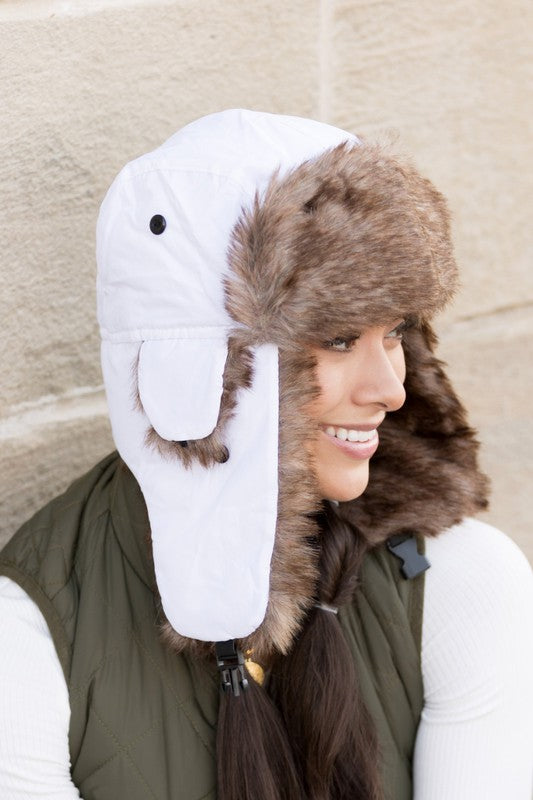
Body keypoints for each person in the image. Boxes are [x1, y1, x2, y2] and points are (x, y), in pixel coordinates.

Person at [1, 109, 532, 800]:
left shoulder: (457, 581)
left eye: (396, 332)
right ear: (204, 370)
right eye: (340, 338)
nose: (390, 389)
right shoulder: (29, 636)